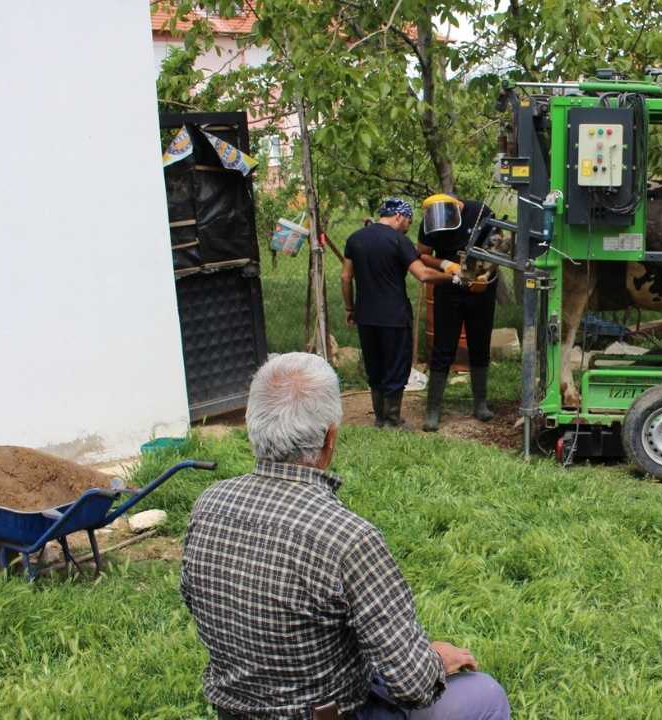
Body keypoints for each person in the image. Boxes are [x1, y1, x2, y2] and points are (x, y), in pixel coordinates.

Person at [181, 352, 511, 720]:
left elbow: (193, 600)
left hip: (234, 711)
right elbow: (414, 686)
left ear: (251, 426)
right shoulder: (349, 539)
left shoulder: (208, 504)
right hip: (330, 713)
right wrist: (435, 660)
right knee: (485, 694)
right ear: (330, 438)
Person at [341, 198, 458, 428]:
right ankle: (392, 420)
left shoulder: (355, 238)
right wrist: (452, 277)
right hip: (394, 316)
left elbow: (346, 277)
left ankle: (379, 417)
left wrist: (350, 308)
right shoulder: (399, 241)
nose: (407, 227)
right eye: (408, 221)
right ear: (399, 216)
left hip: (365, 316)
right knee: (396, 367)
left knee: (375, 366)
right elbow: (423, 274)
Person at [416, 194, 499, 432]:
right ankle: (433, 410)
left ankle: (480, 404)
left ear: (458, 208)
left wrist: (485, 273)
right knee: (443, 346)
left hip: (481, 289)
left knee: (479, 343)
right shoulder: (430, 219)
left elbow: (499, 247)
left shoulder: (481, 212)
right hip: (449, 287)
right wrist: (445, 265)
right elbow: (422, 254)